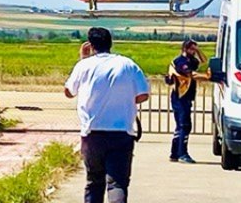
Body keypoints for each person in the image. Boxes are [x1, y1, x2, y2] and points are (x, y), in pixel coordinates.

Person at [64, 27, 151, 203]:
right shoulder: (128, 64)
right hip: (121, 132)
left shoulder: (84, 65)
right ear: (110, 43)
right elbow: (143, 94)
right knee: (117, 183)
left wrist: (83, 59)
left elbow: (69, 91)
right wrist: (123, 100)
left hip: (92, 133)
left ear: (91, 45)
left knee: (94, 181)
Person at [166, 39, 208, 163]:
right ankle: (182, 153)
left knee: (180, 125)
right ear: (185, 49)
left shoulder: (191, 61)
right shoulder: (180, 62)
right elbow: (191, 75)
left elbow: (204, 61)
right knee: (184, 125)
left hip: (187, 96)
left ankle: (174, 153)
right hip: (180, 97)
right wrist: (207, 77)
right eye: (191, 49)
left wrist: (198, 50)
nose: (193, 52)